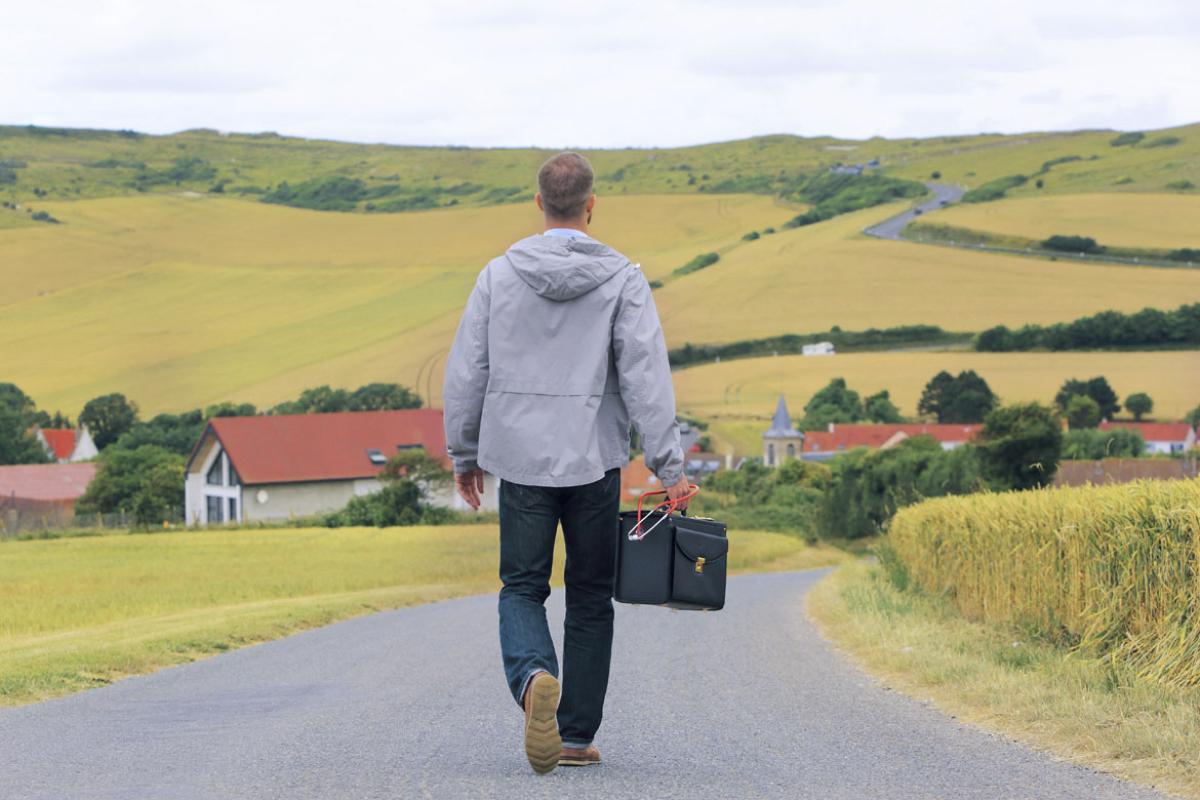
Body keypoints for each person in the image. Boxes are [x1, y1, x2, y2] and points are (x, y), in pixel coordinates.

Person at [443, 152, 689, 774]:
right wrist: (668, 466)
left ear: (538, 204)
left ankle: (532, 681)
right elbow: (646, 377)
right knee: (587, 598)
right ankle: (575, 736)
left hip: (520, 462)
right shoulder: (623, 278)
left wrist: (464, 453)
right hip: (594, 463)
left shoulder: (498, 276)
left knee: (521, 588)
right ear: (591, 204)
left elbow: (468, 371)